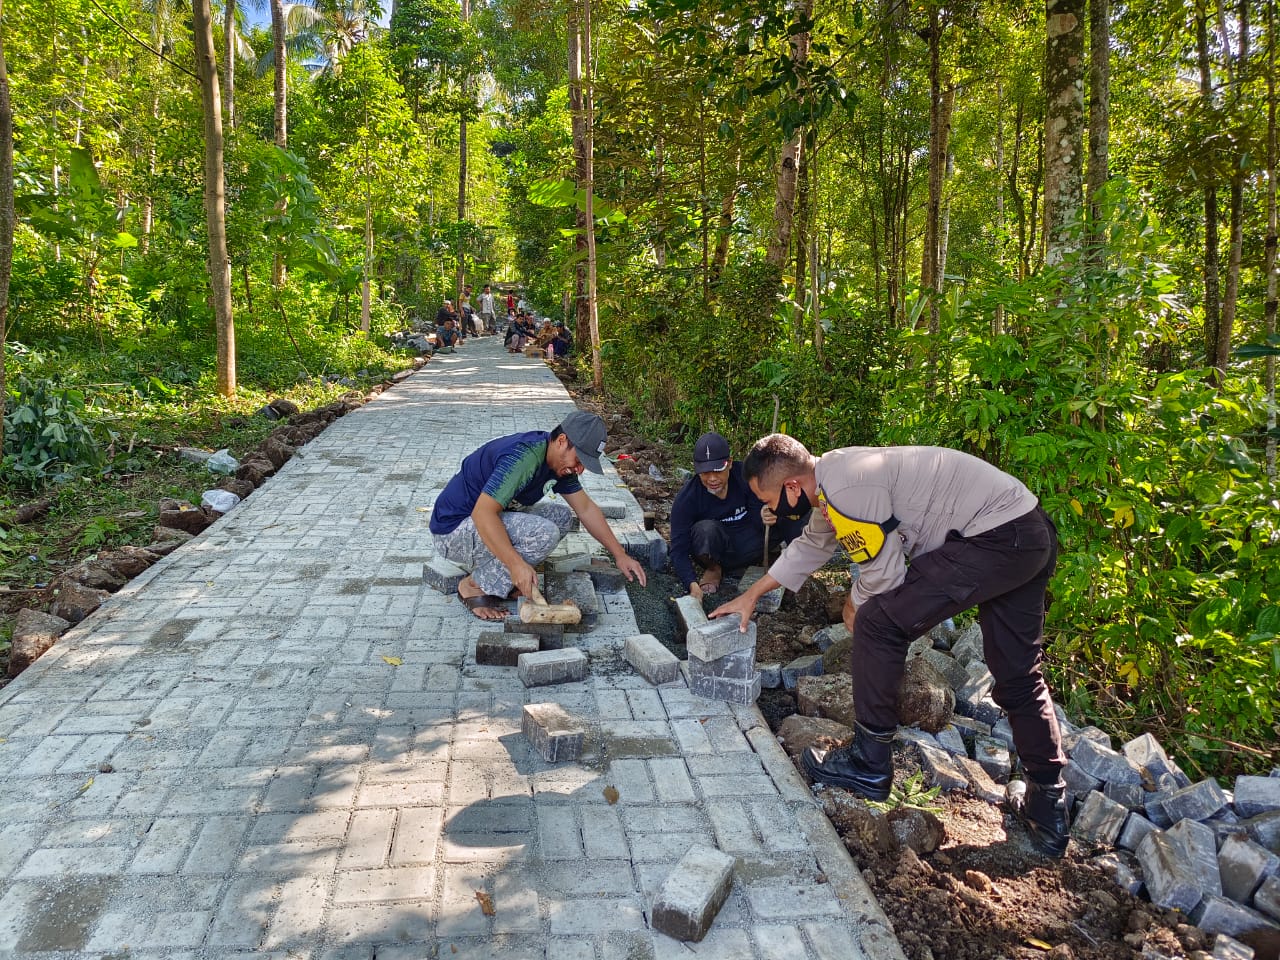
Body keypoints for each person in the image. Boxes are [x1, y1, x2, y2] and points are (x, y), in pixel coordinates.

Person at [712, 434, 1069, 857]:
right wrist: (751, 595)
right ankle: (1048, 809)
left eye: (767, 498)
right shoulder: (830, 481)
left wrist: (853, 606)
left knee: (878, 623)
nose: (768, 508)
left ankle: (869, 763)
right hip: (1028, 531)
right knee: (1017, 673)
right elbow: (812, 544)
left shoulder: (845, 487)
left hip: (995, 537)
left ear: (791, 487)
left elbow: (885, 576)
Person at [430, 411, 648, 620]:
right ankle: (474, 586)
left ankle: (502, 576)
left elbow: (585, 509)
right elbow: (483, 513)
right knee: (544, 532)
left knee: (561, 517)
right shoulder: (524, 457)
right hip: (453, 533)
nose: (580, 469)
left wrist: (620, 554)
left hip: (479, 524)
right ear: (561, 441)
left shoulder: (559, 463)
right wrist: (516, 565)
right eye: (579, 459)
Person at [669, 432, 767, 601]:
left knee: (785, 516)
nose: (712, 478)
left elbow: (763, 512)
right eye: (705, 473)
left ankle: (776, 563)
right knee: (705, 530)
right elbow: (678, 549)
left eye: (718, 470)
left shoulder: (747, 477)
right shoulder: (687, 498)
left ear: (729, 463)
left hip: (749, 541)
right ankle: (714, 568)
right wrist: (691, 585)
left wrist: (768, 515)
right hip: (714, 549)